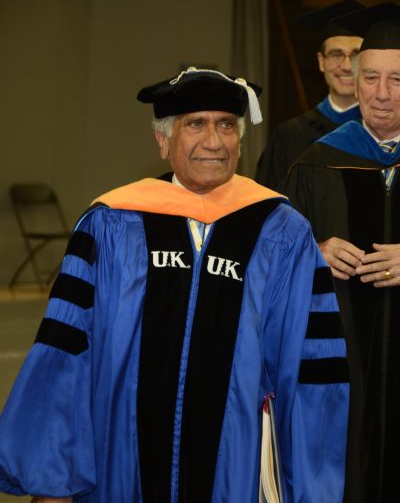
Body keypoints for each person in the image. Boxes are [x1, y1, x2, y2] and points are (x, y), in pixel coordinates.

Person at [0, 67, 349, 503]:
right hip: (119, 463)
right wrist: (53, 478)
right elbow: (65, 353)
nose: (214, 141)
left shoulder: (281, 231)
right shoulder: (111, 223)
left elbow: (311, 369)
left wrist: (312, 488)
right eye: (195, 124)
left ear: (241, 141)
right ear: (163, 140)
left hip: (236, 468)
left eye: (226, 125)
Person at [280, 2, 400, 503]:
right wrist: (311, 251)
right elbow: (269, 260)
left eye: (397, 79)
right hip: (340, 372)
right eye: (370, 77)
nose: (381, 93)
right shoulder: (316, 163)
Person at [255, 0, 364, 189]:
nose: (347, 66)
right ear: (321, 62)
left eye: (355, 55)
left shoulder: (384, 135)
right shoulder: (289, 136)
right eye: (336, 54)